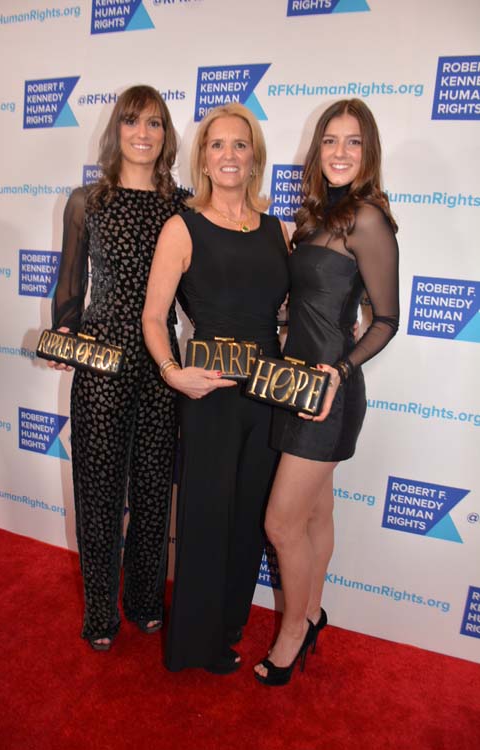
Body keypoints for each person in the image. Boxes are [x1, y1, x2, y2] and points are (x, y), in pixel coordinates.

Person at [254, 98, 399, 686]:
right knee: (315, 513)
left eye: (353, 142)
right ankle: (311, 612)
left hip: (328, 394)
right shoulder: (315, 217)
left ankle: (293, 632)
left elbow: (387, 320)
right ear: (317, 150)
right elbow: (315, 305)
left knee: (281, 524)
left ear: (369, 154)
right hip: (293, 383)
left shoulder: (368, 219)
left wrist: (338, 370)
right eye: (330, 141)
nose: (340, 152)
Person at [142, 103, 289, 673]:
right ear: (203, 157)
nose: (229, 155)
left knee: (252, 514)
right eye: (217, 145)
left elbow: (291, 308)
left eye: (240, 144)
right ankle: (194, 644)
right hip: (206, 394)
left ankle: (230, 624)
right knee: (205, 516)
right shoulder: (183, 225)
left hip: (268, 392)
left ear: (254, 157)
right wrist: (173, 372)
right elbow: (156, 318)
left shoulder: (282, 229)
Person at [49, 85, 190, 650]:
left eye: (154, 124)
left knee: (155, 489)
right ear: (117, 131)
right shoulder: (87, 201)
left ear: (166, 135)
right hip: (102, 359)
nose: (142, 134)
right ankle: (101, 611)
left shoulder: (180, 204)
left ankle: (144, 600)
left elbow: (199, 291)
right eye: (132, 122)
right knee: (99, 489)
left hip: (162, 364)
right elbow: (69, 285)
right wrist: (65, 331)